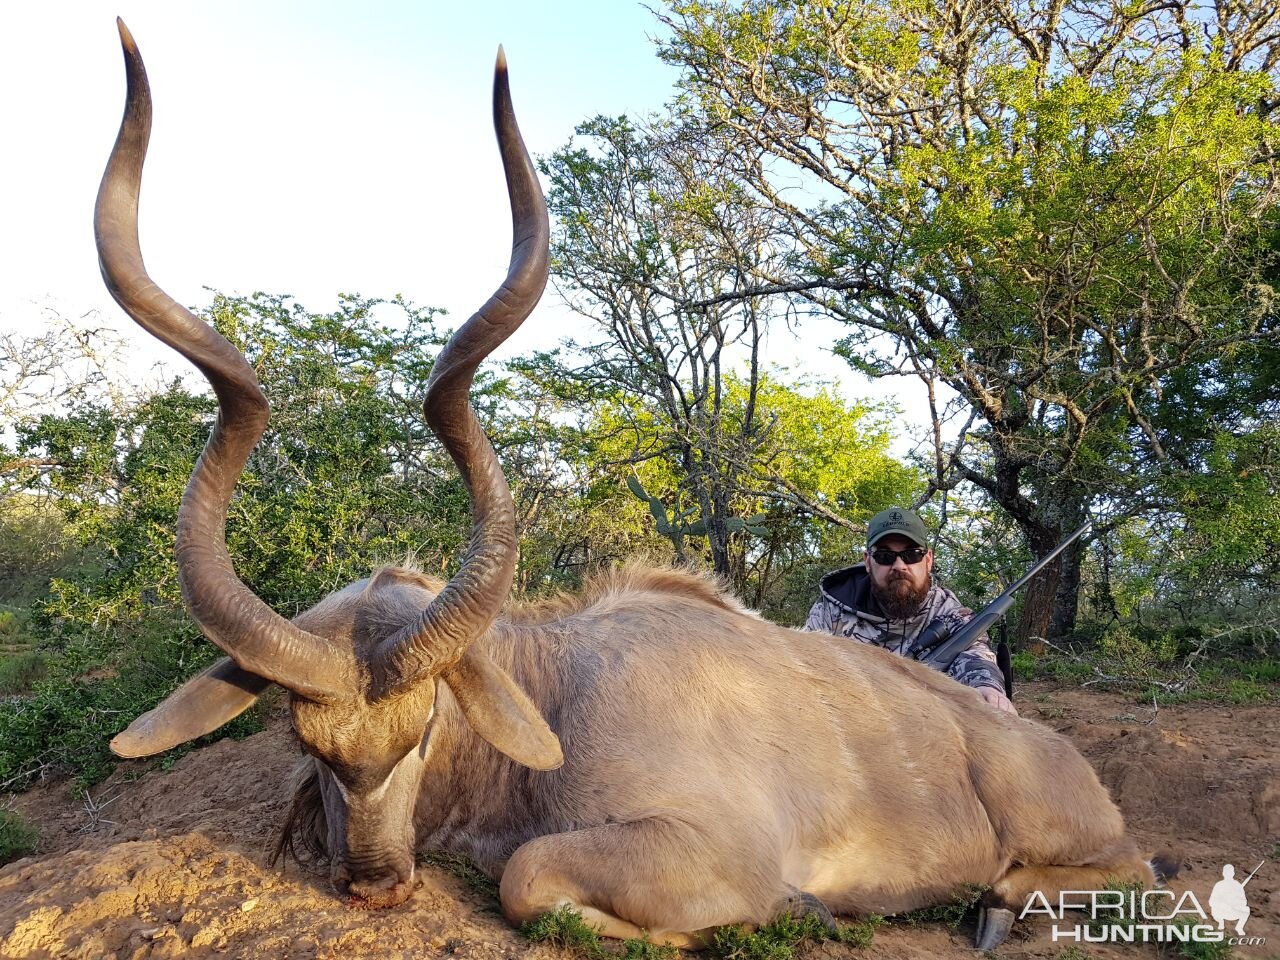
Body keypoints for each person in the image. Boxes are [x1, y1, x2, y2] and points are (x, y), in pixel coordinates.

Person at [805, 508, 1017, 714]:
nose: (899, 565)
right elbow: (806, 667)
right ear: (868, 562)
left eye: (912, 554)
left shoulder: (950, 614)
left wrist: (986, 687)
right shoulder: (830, 611)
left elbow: (975, 656)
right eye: (885, 556)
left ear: (928, 559)